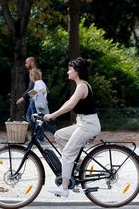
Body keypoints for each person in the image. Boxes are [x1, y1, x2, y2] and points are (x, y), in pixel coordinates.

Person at [45, 57, 101, 198]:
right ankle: (76, 165)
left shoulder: (82, 86)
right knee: (59, 135)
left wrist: (52, 115)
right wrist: (52, 114)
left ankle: (64, 188)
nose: (67, 72)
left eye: (70, 69)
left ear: (77, 71)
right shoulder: (80, 85)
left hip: (89, 125)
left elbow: (70, 106)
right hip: (82, 123)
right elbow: (67, 102)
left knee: (68, 152)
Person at [28, 69, 56, 141]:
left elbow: (42, 91)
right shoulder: (40, 82)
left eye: (31, 75)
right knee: (39, 122)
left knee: (41, 123)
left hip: (38, 105)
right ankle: (39, 137)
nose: (30, 76)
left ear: (33, 76)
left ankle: (55, 133)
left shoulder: (38, 82)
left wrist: (33, 94)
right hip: (39, 104)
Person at [16, 57, 37, 127]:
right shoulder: (33, 71)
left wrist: (23, 97)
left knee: (32, 118)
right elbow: (35, 88)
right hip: (33, 98)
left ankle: (38, 137)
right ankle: (35, 137)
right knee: (31, 117)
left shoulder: (33, 72)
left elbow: (33, 88)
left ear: (32, 62)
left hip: (35, 99)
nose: (25, 64)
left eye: (27, 62)